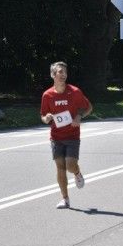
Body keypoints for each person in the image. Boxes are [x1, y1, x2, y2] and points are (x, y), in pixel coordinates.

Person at [40, 61, 93, 209]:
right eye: (59, 72)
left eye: (65, 72)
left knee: (70, 165)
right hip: (56, 137)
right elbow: (43, 116)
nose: (63, 74)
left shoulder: (75, 92)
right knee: (60, 167)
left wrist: (79, 116)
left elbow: (88, 107)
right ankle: (65, 199)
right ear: (53, 75)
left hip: (72, 136)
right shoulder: (47, 95)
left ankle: (77, 173)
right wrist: (47, 118)